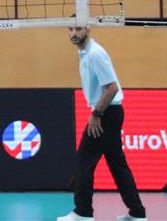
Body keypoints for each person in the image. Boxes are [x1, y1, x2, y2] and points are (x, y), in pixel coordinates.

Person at [58, 24, 145, 221]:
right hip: (109, 112)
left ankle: (83, 212)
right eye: (70, 29)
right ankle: (137, 213)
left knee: (84, 161)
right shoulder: (84, 53)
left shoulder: (94, 54)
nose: (74, 33)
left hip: (106, 113)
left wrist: (97, 114)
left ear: (88, 29)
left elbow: (112, 88)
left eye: (78, 29)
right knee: (117, 164)